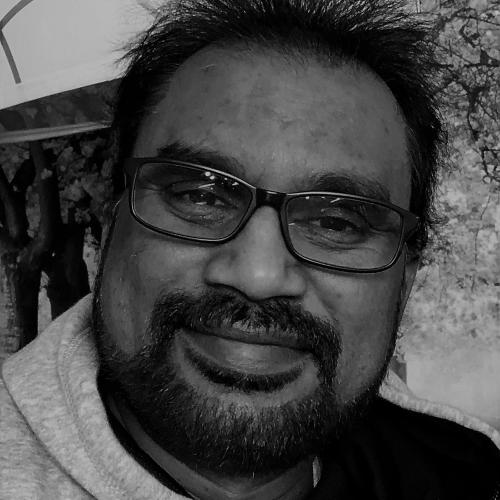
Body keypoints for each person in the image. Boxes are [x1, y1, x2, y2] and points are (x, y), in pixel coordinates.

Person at [1, 0, 499, 498]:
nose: (258, 276)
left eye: (335, 222)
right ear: (114, 222)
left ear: (404, 285)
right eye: (200, 196)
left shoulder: (469, 478)